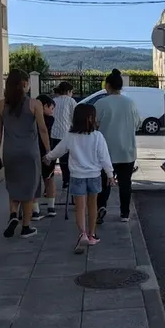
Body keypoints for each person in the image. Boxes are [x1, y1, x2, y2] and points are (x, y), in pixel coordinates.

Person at [44, 104, 114, 253]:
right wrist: (109, 174)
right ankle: (92, 234)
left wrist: (48, 157)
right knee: (92, 205)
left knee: (80, 207)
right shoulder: (97, 136)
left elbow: (58, 151)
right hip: (94, 176)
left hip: (77, 176)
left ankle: (82, 233)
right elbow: (104, 157)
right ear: (91, 118)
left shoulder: (70, 136)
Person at [0, 69, 50, 238]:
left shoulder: (0, 105)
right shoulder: (34, 104)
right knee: (29, 190)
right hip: (29, 153)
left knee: (14, 185)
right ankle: (26, 226)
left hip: (10, 152)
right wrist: (48, 151)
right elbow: (43, 130)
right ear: (25, 83)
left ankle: (12, 215)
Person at [95, 69, 140, 223]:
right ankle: (125, 213)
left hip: (105, 151)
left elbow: (94, 125)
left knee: (103, 181)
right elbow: (137, 123)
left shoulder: (100, 103)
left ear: (107, 85)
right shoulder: (131, 103)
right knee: (125, 183)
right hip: (127, 151)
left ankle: (101, 207)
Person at [50, 82, 76, 190]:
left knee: (51, 159)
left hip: (53, 134)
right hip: (66, 135)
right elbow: (74, 116)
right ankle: (66, 181)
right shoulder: (71, 101)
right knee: (65, 160)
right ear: (69, 91)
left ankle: (49, 184)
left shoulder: (54, 101)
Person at [36, 95, 57, 218]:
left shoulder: (31, 119)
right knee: (49, 179)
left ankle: (35, 209)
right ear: (44, 107)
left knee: (35, 181)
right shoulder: (49, 119)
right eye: (51, 108)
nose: (52, 111)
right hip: (46, 151)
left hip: (34, 151)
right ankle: (51, 207)